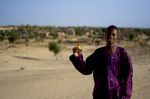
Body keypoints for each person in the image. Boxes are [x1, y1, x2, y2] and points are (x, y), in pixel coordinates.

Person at [69, 25, 133, 99]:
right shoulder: (98, 53)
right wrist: (77, 57)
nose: (110, 36)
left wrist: (126, 96)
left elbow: (128, 77)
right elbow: (86, 69)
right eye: (108, 34)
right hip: (100, 94)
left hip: (117, 94)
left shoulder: (122, 53)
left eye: (113, 34)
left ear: (117, 36)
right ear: (105, 35)